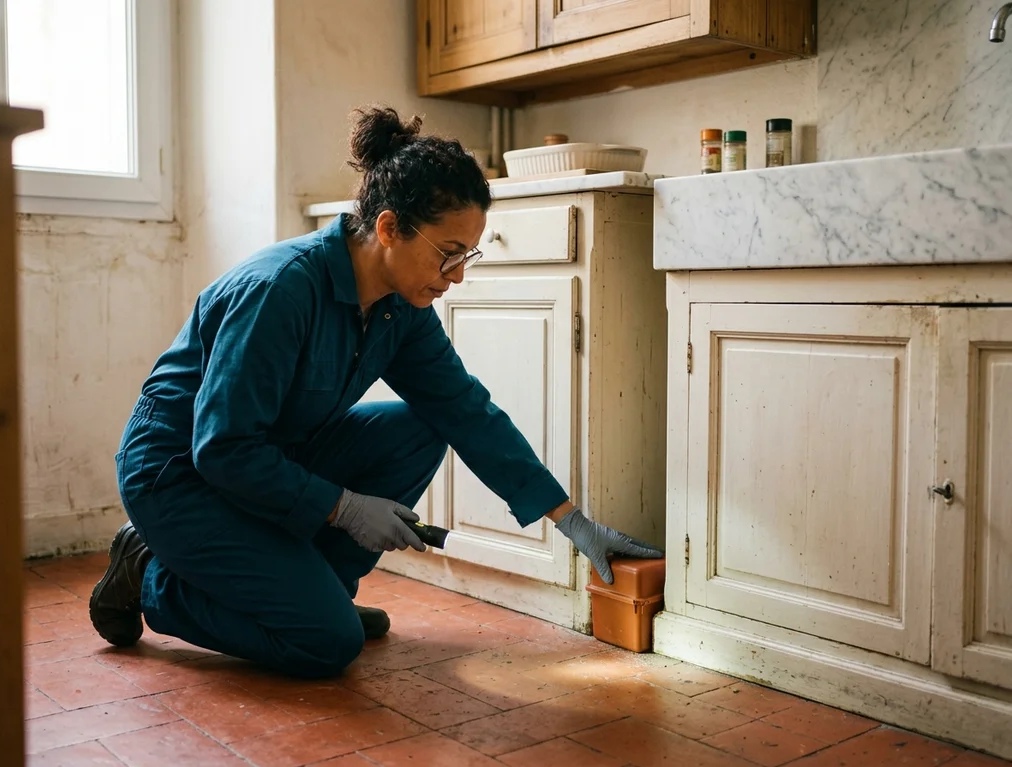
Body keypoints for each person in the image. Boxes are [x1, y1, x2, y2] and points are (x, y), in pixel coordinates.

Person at [88, 106, 663, 679]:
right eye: (448, 251)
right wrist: (345, 506)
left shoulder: (399, 307)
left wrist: (571, 521)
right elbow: (222, 447)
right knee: (326, 645)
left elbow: (465, 409)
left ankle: (321, 594)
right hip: (181, 475)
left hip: (268, 457)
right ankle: (151, 576)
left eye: (468, 253)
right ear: (388, 229)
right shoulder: (278, 291)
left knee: (417, 429)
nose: (458, 273)